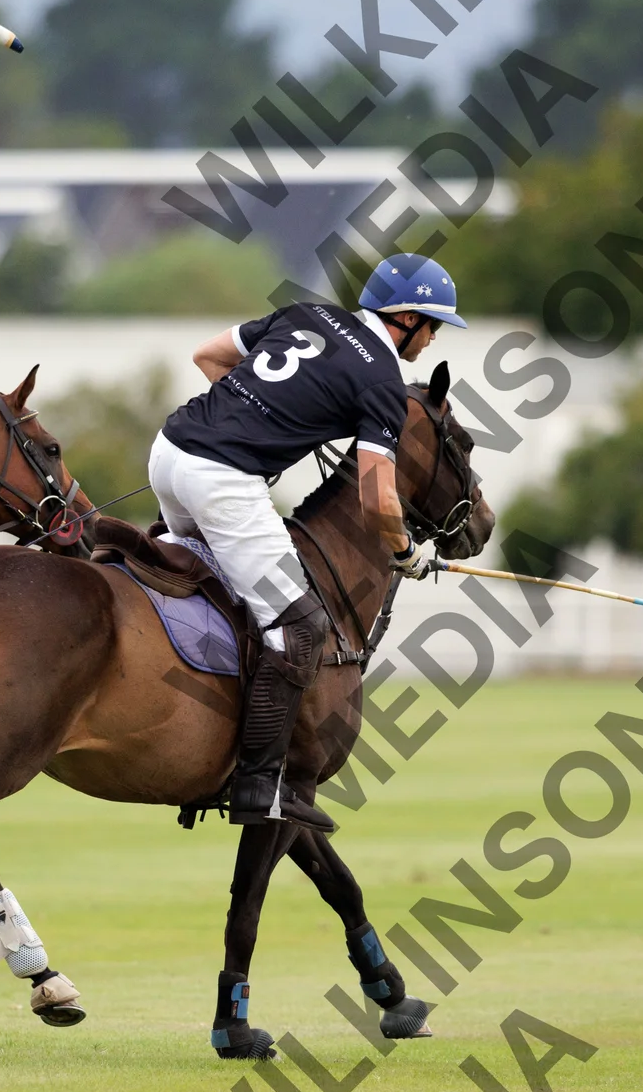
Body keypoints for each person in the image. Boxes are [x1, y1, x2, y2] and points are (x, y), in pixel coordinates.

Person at [149, 253, 467, 832]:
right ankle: (259, 784)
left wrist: (268, 418)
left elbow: (208, 356)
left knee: (202, 579)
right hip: (221, 481)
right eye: (433, 324)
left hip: (168, 454)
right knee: (300, 625)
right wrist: (405, 553)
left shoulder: (306, 312)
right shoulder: (383, 380)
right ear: (405, 319)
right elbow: (377, 499)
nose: (433, 338)